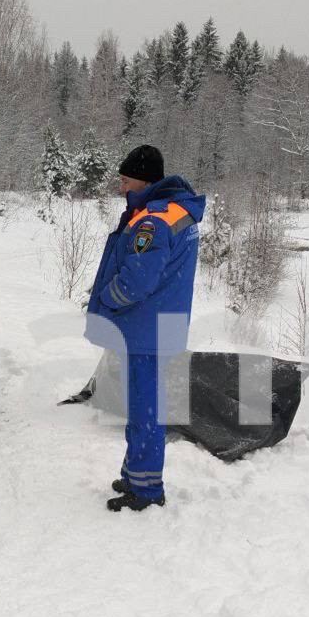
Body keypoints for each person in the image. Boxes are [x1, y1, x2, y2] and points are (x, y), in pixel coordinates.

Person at [84, 145, 205, 511]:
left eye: (124, 180)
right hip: (159, 322)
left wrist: (106, 299)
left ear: (143, 180)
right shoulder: (175, 213)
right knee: (144, 406)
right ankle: (136, 473)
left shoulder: (152, 221)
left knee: (144, 410)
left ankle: (147, 490)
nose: (121, 187)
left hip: (146, 327)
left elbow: (137, 280)